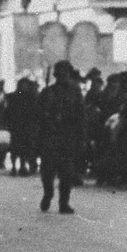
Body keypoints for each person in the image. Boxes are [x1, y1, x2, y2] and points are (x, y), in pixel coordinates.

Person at [37, 61, 87, 213]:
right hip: (51, 135)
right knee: (48, 170)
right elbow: (39, 114)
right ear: (56, 75)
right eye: (61, 73)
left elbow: (81, 115)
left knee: (67, 172)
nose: (64, 76)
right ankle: (48, 194)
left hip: (68, 135)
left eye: (66, 73)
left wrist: (81, 136)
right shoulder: (47, 92)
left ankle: (64, 203)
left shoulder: (75, 92)